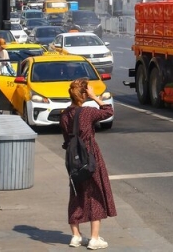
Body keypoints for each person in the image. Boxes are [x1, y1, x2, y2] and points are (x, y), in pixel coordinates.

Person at [60, 79, 116, 249]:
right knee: (95, 193)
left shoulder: (64, 115)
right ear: (84, 94)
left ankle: (76, 236)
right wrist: (95, 97)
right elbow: (108, 111)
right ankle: (94, 238)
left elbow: (66, 140)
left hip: (73, 158)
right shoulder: (88, 112)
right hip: (90, 155)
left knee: (76, 193)